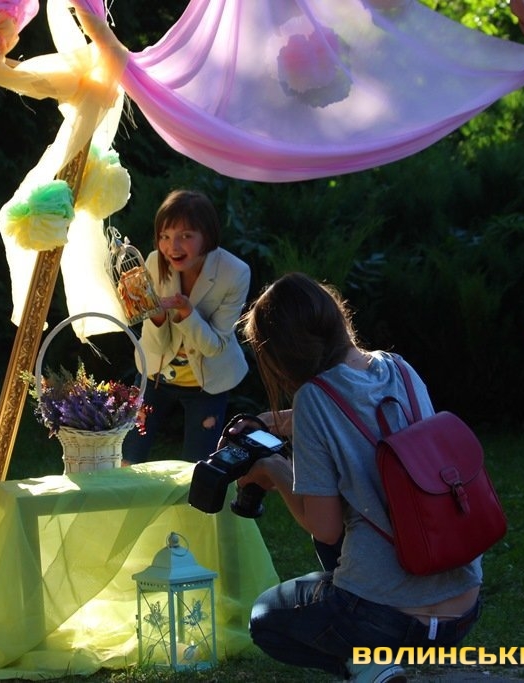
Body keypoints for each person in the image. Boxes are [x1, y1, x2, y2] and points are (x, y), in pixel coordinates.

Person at [233, 273, 482, 683]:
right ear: (335, 316)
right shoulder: (398, 368)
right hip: (462, 606)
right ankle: (379, 663)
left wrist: (272, 469)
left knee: (265, 619)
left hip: (386, 620)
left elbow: (325, 529)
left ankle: (368, 665)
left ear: (280, 355)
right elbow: (362, 415)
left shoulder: (313, 398)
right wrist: (274, 422)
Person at [121, 189, 250, 465]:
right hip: (155, 371)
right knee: (127, 454)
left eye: (186, 236)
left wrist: (187, 312)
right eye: (165, 236)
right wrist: (155, 316)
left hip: (208, 381)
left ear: (208, 235)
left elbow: (215, 346)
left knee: (198, 466)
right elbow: (155, 342)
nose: (173, 247)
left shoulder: (235, 273)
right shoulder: (153, 262)